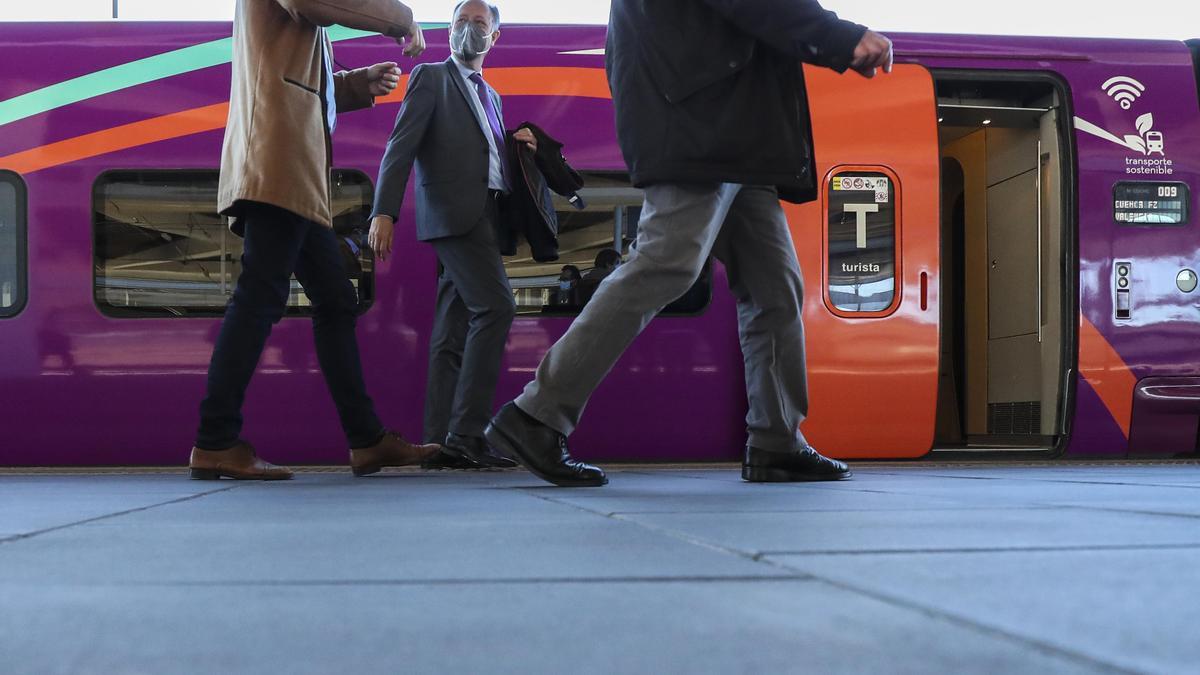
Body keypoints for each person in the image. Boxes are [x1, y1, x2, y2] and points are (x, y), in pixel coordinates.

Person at [484, 0, 894, 487]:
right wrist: (840, 36)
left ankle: (777, 440)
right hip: (702, 122)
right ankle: (537, 414)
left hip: (736, 133)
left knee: (774, 288)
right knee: (667, 262)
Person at [189, 0, 440, 481]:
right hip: (278, 160)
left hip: (294, 170)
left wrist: (355, 85)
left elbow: (297, 80)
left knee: (335, 300)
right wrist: (402, 18)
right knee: (261, 296)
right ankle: (216, 440)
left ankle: (366, 441)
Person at [369, 0, 537, 470]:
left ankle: (439, 442)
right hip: (453, 214)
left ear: (494, 36)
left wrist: (518, 144)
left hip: (486, 216)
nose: (468, 30)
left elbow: (485, 156)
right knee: (497, 307)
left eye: (478, 24)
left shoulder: (493, 96)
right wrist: (384, 211)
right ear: (448, 31)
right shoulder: (431, 78)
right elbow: (400, 146)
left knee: (451, 333)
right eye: (460, 22)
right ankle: (467, 436)